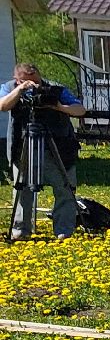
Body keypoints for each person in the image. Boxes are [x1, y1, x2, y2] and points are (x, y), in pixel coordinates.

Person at [1, 62, 86, 240]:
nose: (35, 87)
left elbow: (80, 110)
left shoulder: (55, 88)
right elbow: (3, 105)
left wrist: (59, 107)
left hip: (59, 148)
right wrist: (20, 90)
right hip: (23, 148)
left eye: (37, 82)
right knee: (22, 190)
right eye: (29, 82)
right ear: (18, 80)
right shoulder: (9, 87)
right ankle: (20, 232)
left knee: (65, 189)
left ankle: (64, 231)